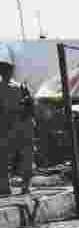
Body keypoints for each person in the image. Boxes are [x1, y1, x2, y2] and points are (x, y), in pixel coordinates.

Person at [0, 46, 34, 197]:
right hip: (15, 125)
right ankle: (14, 186)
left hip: (14, 126)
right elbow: (30, 106)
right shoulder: (21, 86)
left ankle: (17, 186)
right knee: (12, 157)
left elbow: (30, 106)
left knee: (12, 157)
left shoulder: (21, 86)